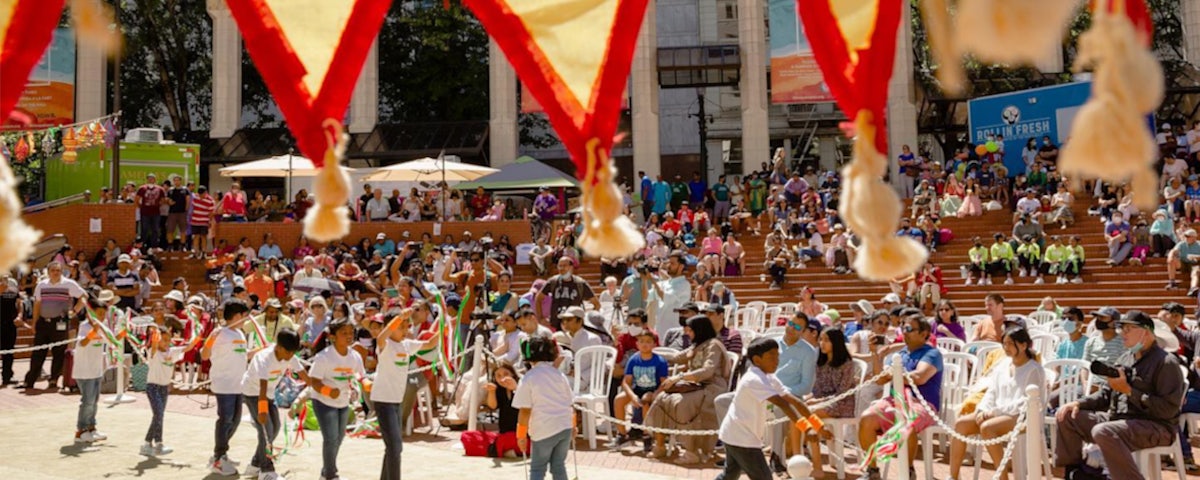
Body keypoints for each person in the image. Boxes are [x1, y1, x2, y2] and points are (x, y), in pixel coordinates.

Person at [1055, 310, 1185, 480]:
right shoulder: (1125, 358)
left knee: (1104, 431)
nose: (1122, 333)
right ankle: (1075, 474)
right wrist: (1078, 404)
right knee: (1067, 416)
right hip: (1120, 419)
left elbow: (1167, 410)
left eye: (1128, 329)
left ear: (1146, 332)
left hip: (1156, 426)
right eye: (1122, 328)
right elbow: (1105, 395)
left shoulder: (1166, 362)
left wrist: (1130, 392)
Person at [947, 326, 1045, 480]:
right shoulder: (1003, 365)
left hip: (1023, 416)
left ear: (1024, 345)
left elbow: (1023, 403)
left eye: (1010, 344)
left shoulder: (1034, 369)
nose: (1006, 348)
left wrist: (994, 412)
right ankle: (953, 476)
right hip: (996, 413)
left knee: (987, 428)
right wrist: (982, 409)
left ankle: (1002, 477)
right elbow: (991, 391)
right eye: (1004, 344)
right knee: (961, 424)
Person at [856, 315, 943, 480]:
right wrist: (875, 354)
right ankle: (872, 471)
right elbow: (880, 379)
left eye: (909, 329)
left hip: (922, 404)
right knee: (866, 418)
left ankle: (907, 471)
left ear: (924, 333)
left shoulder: (932, 353)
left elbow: (919, 377)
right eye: (903, 328)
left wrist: (894, 373)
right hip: (894, 400)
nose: (905, 332)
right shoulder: (900, 354)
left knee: (905, 421)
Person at [717, 338, 812, 480]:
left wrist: (817, 426)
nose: (776, 360)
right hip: (742, 438)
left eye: (777, 356)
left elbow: (794, 401)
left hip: (734, 434)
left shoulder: (769, 377)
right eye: (771, 356)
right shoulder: (754, 379)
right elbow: (783, 404)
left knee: (729, 475)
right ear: (757, 360)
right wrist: (807, 429)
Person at [646, 315, 730, 463]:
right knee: (661, 398)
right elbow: (677, 357)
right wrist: (649, 352)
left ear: (699, 330)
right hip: (695, 386)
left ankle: (692, 452)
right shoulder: (697, 345)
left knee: (683, 404)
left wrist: (679, 377)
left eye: (690, 330)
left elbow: (707, 371)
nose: (687, 334)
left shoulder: (713, 345)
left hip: (711, 388)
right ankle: (660, 446)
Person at [371, 309, 441, 480]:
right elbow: (381, 336)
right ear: (392, 326)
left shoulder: (407, 345)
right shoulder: (385, 344)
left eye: (406, 326)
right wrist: (399, 317)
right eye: (401, 326)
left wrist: (443, 325)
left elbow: (429, 344)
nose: (405, 329)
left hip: (396, 400)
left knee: (393, 447)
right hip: (383, 400)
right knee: (395, 447)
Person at [240, 327, 307, 480]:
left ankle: (255, 464)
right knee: (266, 430)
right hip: (253, 393)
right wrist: (262, 411)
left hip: (268, 394)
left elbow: (305, 376)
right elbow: (262, 387)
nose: (290, 356)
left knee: (275, 428)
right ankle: (266, 470)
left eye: (292, 353)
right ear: (279, 347)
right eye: (288, 352)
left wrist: (321, 389)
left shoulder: (290, 356)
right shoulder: (263, 359)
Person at [308, 318, 366, 480]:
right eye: (344, 333)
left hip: (343, 402)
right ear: (332, 336)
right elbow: (314, 381)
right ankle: (331, 475)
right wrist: (327, 391)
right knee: (331, 438)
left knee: (339, 438)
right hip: (323, 402)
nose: (348, 336)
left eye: (351, 333)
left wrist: (362, 385)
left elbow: (360, 376)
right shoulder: (324, 357)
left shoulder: (355, 356)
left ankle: (326, 471)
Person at [513, 333, 575, 480]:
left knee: (537, 468)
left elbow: (525, 410)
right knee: (559, 466)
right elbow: (570, 403)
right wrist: (573, 426)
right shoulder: (560, 375)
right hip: (565, 427)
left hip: (543, 429)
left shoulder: (529, 378)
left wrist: (521, 434)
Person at [203, 298, 252, 476]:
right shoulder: (220, 333)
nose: (246, 319)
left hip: (238, 385)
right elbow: (204, 355)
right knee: (225, 421)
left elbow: (244, 355)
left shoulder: (240, 334)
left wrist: (263, 350)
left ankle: (220, 453)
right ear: (236, 315)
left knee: (235, 420)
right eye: (244, 315)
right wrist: (210, 340)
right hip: (224, 385)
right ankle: (219, 456)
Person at [23, 261, 86, 390]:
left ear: (61, 271)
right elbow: (37, 305)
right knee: (38, 352)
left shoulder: (69, 284)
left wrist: (74, 312)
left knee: (59, 353)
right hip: (43, 323)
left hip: (60, 323)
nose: (56, 273)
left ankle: (53, 380)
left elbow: (84, 297)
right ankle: (30, 381)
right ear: (48, 272)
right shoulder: (41, 285)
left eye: (58, 270)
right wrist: (34, 322)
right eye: (53, 270)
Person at [806, 327, 860, 477]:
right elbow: (817, 389)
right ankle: (802, 453)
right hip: (823, 402)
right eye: (821, 340)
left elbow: (842, 394)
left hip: (842, 404)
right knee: (800, 409)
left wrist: (818, 401)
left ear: (836, 342)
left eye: (827, 340)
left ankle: (817, 466)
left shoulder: (847, 363)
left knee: (810, 413)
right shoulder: (820, 362)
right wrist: (810, 399)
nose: (822, 343)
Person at [609, 331, 669, 448]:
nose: (644, 344)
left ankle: (646, 435)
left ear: (654, 345)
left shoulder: (659, 361)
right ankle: (622, 434)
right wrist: (632, 396)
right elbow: (626, 382)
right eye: (641, 341)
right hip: (637, 389)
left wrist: (656, 393)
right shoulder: (633, 359)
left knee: (645, 401)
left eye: (648, 342)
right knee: (618, 400)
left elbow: (664, 382)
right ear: (637, 344)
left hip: (652, 390)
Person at [140, 318, 188, 457]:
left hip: (164, 388)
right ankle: (153, 443)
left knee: (159, 415)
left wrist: (199, 335)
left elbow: (187, 347)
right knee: (159, 414)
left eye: (169, 340)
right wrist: (155, 338)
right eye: (164, 340)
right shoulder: (153, 353)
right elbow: (154, 347)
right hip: (153, 387)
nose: (167, 343)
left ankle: (153, 444)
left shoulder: (171, 352)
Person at [72, 295, 111, 444]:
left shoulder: (103, 327)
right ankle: (81, 431)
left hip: (96, 370)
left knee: (94, 401)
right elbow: (82, 343)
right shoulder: (84, 326)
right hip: (84, 371)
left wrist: (122, 333)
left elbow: (112, 340)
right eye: (99, 314)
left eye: (103, 314)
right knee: (87, 401)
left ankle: (91, 428)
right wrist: (94, 330)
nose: (102, 317)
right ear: (90, 312)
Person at [535, 257, 597, 331]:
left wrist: (587, 319)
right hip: (556, 325)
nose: (561, 268)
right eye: (559, 266)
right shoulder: (553, 281)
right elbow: (538, 298)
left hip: (575, 327)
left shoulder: (580, 283)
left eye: (564, 265)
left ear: (571, 267)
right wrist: (541, 318)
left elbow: (597, 304)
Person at [1083, 307, 1126, 391]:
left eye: (1102, 318)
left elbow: (1122, 370)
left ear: (1114, 322)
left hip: (1112, 387)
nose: (1098, 320)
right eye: (1097, 318)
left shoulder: (1124, 343)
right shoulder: (1091, 342)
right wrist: (1085, 383)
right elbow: (1084, 366)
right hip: (1091, 385)